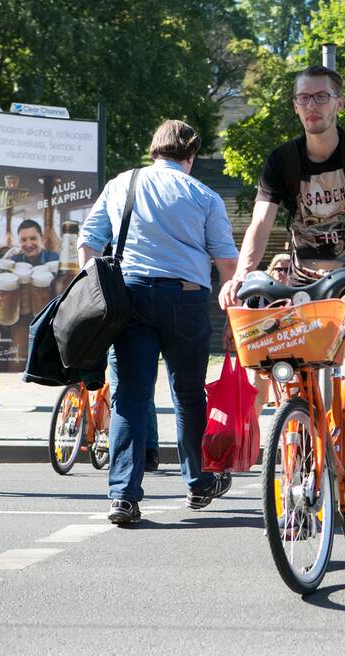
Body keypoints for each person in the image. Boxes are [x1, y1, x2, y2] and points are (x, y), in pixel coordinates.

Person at [218, 64, 345, 451]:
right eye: (304, 98)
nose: (312, 105)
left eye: (321, 97)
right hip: (305, 274)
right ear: (295, 107)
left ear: (338, 104)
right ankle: (296, 407)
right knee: (273, 326)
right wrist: (240, 276)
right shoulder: (282, 160)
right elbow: (260, 224)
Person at [79, 120, 239, 525]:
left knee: (130, 396)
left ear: (154, 149)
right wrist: (234, 314)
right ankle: (198, 480)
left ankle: (124, 497)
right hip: (185, 298)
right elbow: (227, 262)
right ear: (191, 154)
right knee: (187, 393)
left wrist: (93, 291)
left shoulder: (122, 183)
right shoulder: (204, 195)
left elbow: (89, 240)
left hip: (129, 297)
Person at [250, 253, 291, 417]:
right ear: (271, 271)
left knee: (292, 395)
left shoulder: (300, 294)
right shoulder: (258, 296)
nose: (282, 273)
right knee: (257, 395)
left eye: (287, 270)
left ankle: (294, 433)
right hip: (263, 353)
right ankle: (252, 437)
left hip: (293, 351)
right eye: (278, 269)